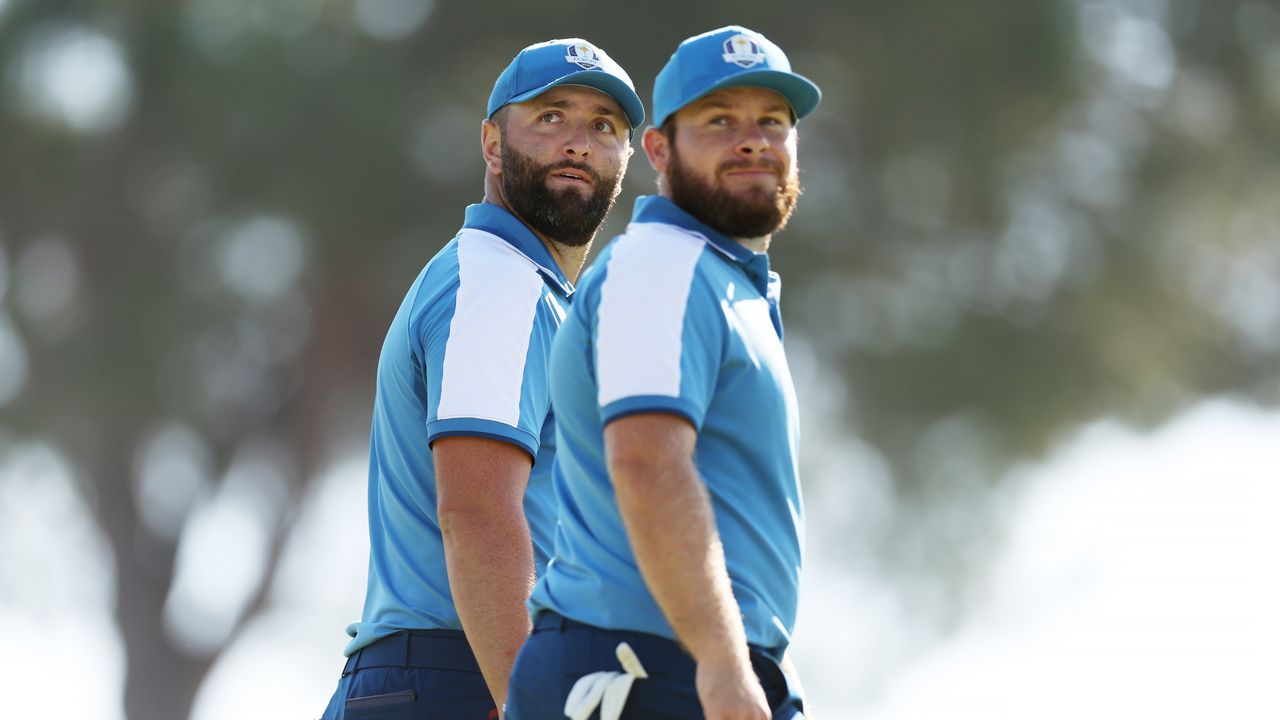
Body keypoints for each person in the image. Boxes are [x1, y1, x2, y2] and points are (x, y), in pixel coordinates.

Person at [505, 25, 822, 720]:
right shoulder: (662, 266)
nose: (751, 139)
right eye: (718, 120)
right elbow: (648, 462)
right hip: (646, 669)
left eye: (772, 121)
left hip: (680, 663)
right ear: (659, 150)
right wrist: (721, 662)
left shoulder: (718, 279)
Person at [320, 38, 643, 720]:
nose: (579, 142)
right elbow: (476, 511)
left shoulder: (527, 289)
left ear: (627, 157)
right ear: (492, 144)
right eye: (552, 117)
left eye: (603, 126)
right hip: (464, 676)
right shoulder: (499, 285)